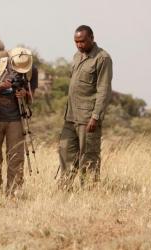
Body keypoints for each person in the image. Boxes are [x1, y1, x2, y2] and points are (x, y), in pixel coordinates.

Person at [58, 25, 113, 190]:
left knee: (89, 156)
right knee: (65, 152)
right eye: (76, 42)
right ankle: (64, 190)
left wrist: (95, 116)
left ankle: (89, 192)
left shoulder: (102, 58)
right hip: (71, 116)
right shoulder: (76, 56)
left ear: (91, 38)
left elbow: (104, 90)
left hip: (88, 118)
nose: (79, 45)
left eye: (82, 41)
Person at [0, 47, 39, 195]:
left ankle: (14, 190)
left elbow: (32, 97)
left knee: (16, 155)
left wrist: (24, 94)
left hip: (17, 118)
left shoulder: (32, 70)